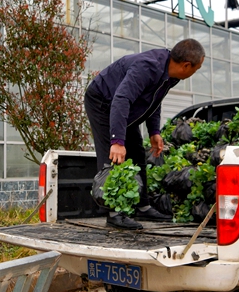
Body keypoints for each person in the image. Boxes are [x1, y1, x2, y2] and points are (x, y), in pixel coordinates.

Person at [85, 38, 206, 230]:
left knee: (137, 152)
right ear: (186, 65)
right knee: (113, 156)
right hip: (103, 101)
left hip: (125, 106)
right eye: (197, 68)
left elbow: (153, 101)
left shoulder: (170, 74)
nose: (195, 72)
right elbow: (121, 98)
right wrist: (117, 140)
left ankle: (143, 206)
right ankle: (114, 213)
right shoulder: (148, 67)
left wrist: (154, 132)